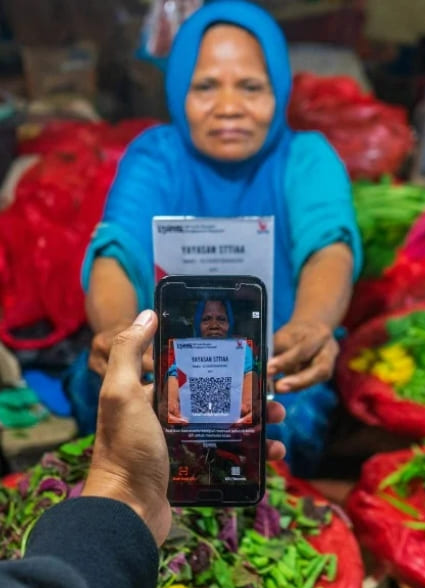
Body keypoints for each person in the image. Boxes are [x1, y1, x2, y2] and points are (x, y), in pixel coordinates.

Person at [66, 0, 363, 477]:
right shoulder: (156, 155)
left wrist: (309, 325)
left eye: (251, 87)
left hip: (270, 365)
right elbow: (118, 250)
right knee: (106, 396)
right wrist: (121, 334)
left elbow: (328, 248)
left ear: (279, 91)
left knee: (282, 419)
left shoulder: (307, 158)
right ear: (178, 89)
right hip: (162, 363)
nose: (229, 107)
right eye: (205, 87)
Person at [0, 312, 288, 588]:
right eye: (208, 317)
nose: (214, 324)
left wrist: (124, 488)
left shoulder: (240, 358)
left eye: (222, 317)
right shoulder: (179, 360)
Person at [166, 297, 254, 424]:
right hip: (193, 423)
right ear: (197, 323)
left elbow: (250, 375)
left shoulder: (241, 348)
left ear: (230, 323)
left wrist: (247, 406)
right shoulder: (188, 349)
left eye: (221, 319)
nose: (214, 326)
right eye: (206, 319)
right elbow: (174, 375)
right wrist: (172, 404)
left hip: (232, 424)